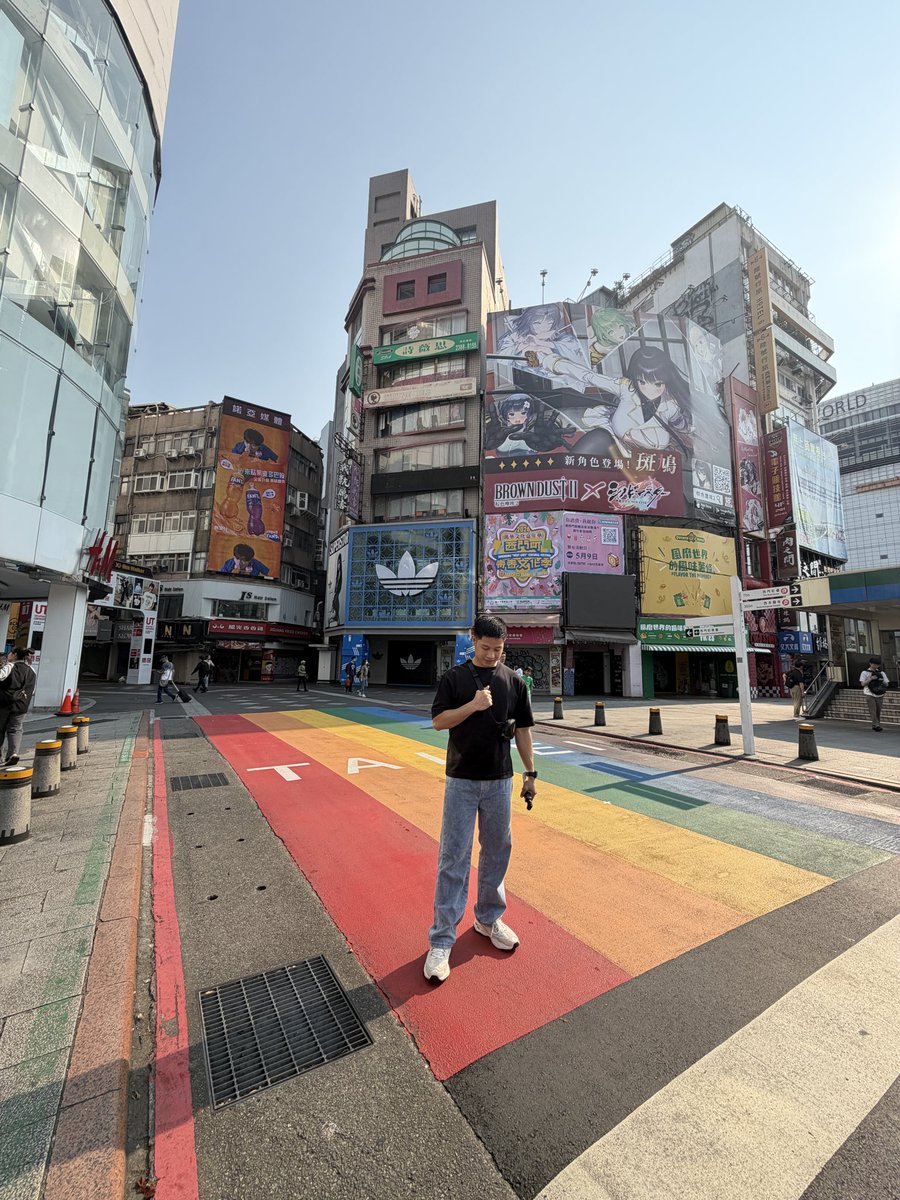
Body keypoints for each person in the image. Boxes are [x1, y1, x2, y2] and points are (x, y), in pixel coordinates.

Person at [424, 614, 536, 983]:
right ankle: (442, 939)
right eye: (486, 648)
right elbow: (439, 722)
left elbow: (522, 732)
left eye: (498, 650)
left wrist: (530, 774)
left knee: (497, 850)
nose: (491, 655)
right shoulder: (454, 679)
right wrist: (473, 705)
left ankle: (488, 919)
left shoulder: (514, 682)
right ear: (473, 639)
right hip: (461, 780)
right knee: (454, 854)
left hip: (501, 781)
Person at [0, 647, 37, 766]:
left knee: (1, 729)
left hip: (4, 703)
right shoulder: (31, 670)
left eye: (10, 653)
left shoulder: (10, 666)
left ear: (15, 655)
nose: (8, 655)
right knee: (15, 729)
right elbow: (33, 690)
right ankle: (13, 754)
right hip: (22, 705)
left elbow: (1, 677)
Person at [860, 658, 889, 732]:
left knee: (878, 710)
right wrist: (870, 679)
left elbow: (886, 683)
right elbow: (863, 684)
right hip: (869, 693)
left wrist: (881, 680)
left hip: (879, 693)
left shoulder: (882, 673)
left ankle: (875, 724)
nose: (875, 666)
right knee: (873, 710)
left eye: (877, 665)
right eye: (873, 664)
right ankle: (877, 725)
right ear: (870, 664)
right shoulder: (865, 672)